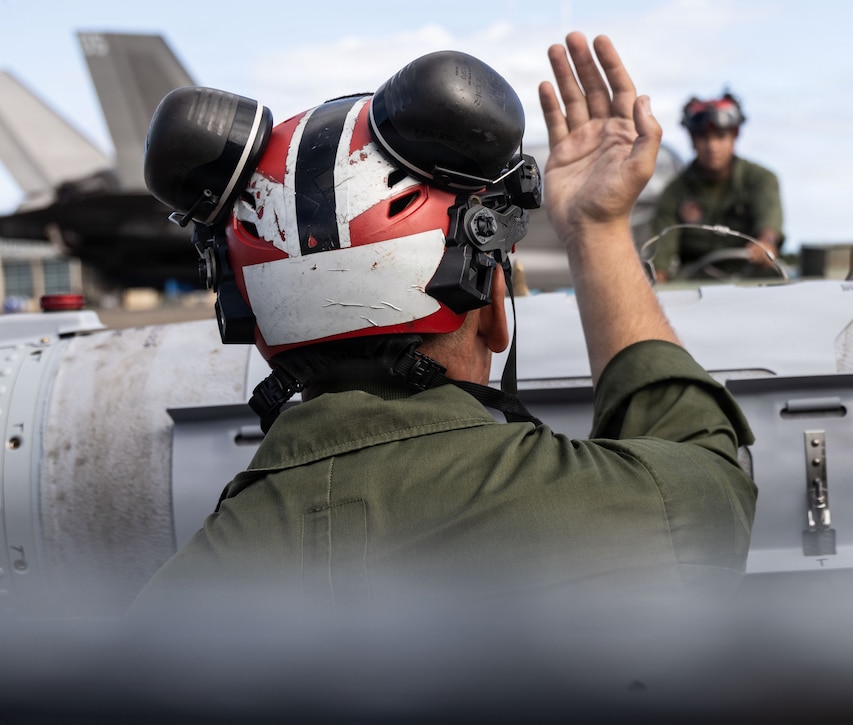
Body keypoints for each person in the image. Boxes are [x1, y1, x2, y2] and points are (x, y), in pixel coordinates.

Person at [132, 33, 756, 613]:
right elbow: (701, 455)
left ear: (262, 333)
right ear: (494, 315)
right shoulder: (639, 512)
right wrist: (597, 231)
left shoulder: (169, 614)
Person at [650, 91, 784, 281]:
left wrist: (766, 246)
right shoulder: (675, 192)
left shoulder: (761, 179)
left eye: (720, 136)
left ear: (734, 136)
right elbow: (661, 259)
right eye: (703, 137)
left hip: (751, 278)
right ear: (692, 140)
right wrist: (657, 280)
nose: (712, 146)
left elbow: (769, 230)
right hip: (696, 284)